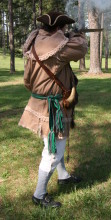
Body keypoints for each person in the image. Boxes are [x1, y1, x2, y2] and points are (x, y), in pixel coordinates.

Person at [19, 11, 88, 208]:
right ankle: (39, 195)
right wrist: (75, 35)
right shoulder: (58, 47)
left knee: (55, 146)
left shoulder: (35, 43)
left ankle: (63, 176)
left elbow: (27, 81)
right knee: (53, 152)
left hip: (40, 102)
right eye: (65, 27)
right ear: (59, 28)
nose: (66, 30)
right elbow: (82, 48)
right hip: (52, 108)